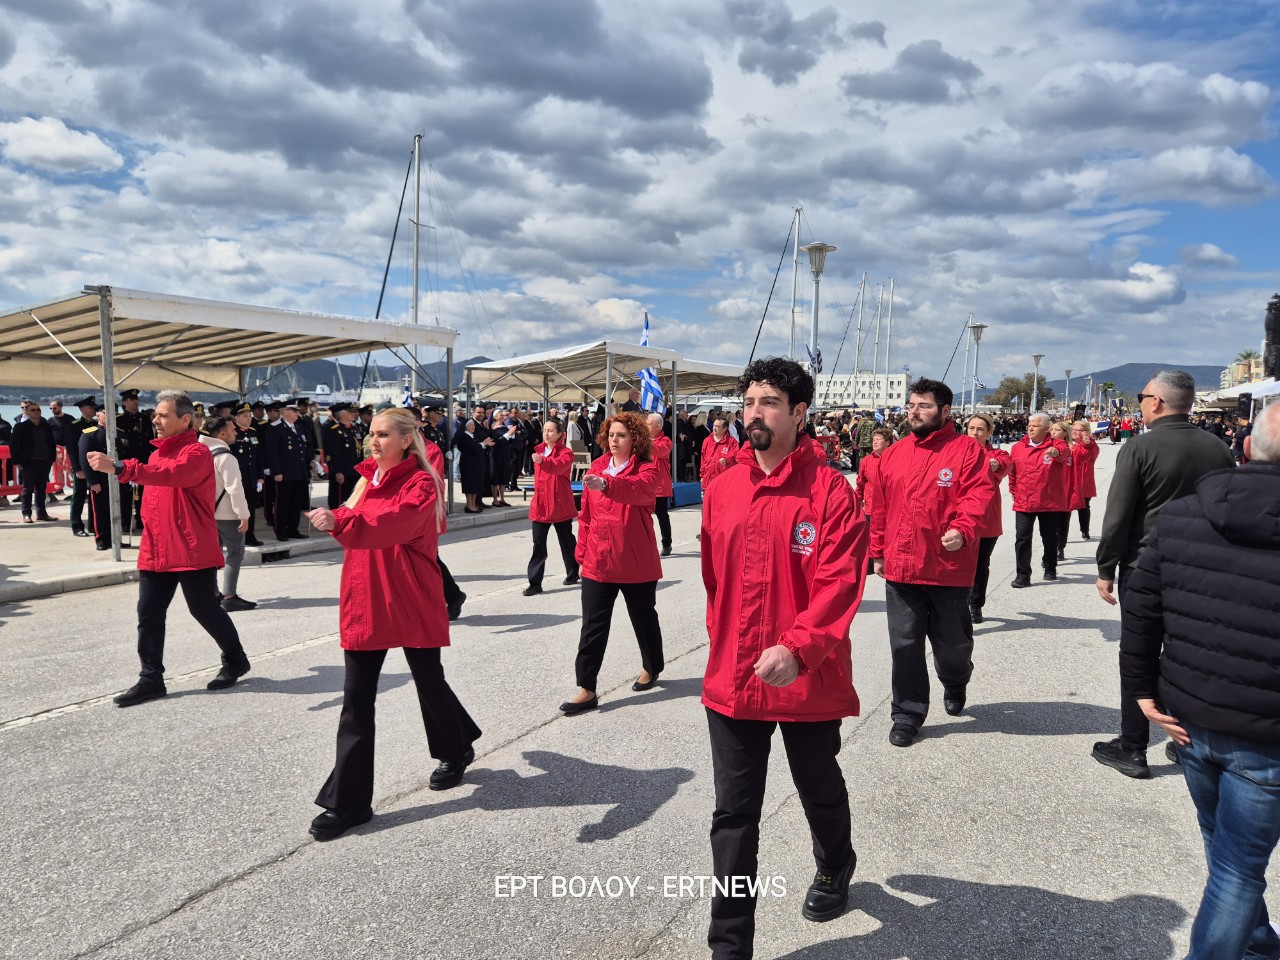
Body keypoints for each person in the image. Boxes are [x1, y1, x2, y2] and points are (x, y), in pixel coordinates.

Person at [701, 357, 868, 958]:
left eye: (768, 402)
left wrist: (798, 649)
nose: (753, 413)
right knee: (734, 817)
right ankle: (729, 945)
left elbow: (840, 583)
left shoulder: (830, 493)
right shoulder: (722, 490)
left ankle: (834, 863)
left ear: (799, 414)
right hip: (733, 679)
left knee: (818, 787)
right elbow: (714, 581)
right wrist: (727, 645)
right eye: (748, 402)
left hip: (806, 678)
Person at [1118, 402, 1280, 958]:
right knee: (1237, 869)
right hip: (1262, 734)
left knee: (1225, 852)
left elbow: (1141, 609)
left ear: (1246, 447)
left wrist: (1141, 689)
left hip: (1188, 715)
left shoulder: (1183, 516)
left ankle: (1256, 942)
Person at [305, 408, 481, 840]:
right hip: (366, 599)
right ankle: (349, 802)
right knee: (356, 701)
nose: (374, 441)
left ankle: (455, 748)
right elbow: (358, 520)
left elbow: (394, 523)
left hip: (408, 596)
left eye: (383, 434)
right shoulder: (367, 481)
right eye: (371, 434)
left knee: (429, 682)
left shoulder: (422, 483)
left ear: (406, 439)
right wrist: (338, 518)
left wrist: (343, 521)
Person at [1092, 370, 1237, 778]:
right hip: (1201, 570)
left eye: (1142, 396)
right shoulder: (1218, 447)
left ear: (1155, 402)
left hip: (1146, 568)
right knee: (1187, 655)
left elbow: (1118, 516)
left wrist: (1105, 566)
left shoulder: (1140, 447)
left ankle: (1133, 745)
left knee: (1137, 657)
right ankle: (1185, 740)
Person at [87, 391, 251, 706]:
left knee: (204, 609)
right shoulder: (157, 453)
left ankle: (235, 659)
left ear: (185, 419)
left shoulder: (197, 452)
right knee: (148, 613)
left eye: (163, 415)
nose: (156, 420)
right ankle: (151, 679)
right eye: (156, 415)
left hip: (191, 547)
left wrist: (121, 467)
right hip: (157, 548)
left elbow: (172, 476)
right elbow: (155, 494)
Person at [868, 379, 989, 747]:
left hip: (947, 568)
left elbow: (977, 494)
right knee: (904, 646)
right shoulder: (893, 454)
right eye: (911, 405)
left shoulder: (967, 450)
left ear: (945, 411)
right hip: (901, 567)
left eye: (923, 405)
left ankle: (955, 680)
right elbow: (879, 507)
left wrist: (963, 528)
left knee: (952, 647)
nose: (914, 411)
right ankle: (907, 713)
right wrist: (877, 552)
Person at [559, 412, 663, 715]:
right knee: (592, 626)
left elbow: (639, 492)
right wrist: (581, 554)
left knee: (643, 618)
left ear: (635, 440)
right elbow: (586, 517)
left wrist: (606, 485)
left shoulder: (647, 469)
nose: (614, 440)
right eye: (612, 435)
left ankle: (652, 666)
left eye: (622, 435)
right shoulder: (597, 467)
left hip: (635, 560)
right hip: (598, 560)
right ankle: (586, 688)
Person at [1007, 413, 1070, 587]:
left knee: (1049, 537)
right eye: (1029, 425)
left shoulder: (1057, 444)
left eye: (1035, 425)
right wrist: (1013, 490)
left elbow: (1065, 453)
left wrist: (1056, 453)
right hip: (1024, 499)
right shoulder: (1018, 447)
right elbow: (1013, 472)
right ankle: (1023, 575)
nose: (1030, 428)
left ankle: (1050, 567)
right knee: (1022, 537)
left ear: (1046, 429)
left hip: (1049, 500)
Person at [201, 416, 256, 613]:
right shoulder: (226, 456)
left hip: (208, 514)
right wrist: (244, 514)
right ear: (222, 434)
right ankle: (230, 596)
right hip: (228, 514)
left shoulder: (202, 453)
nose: (236, 432)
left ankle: (213, 594)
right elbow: (235, 489)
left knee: (212, 556)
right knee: (235, 553)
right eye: (233, 430)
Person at [523, 418, 580, 596]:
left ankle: (573, 572)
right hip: (541, 504)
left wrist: (543, 462)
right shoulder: (539, 450)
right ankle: (535, 582)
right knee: (538, 544)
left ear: (559, 434)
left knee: (567, 541)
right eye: (544, 430)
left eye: (550, 430)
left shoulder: (566, 453)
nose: (546, 434)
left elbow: (558, 467)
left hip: (559, 503)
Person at [965, 413, 1012, 624]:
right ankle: (958, 604)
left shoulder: (997, 454)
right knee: (958, 564)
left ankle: (975, 605)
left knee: (980, 564)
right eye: (971, 428)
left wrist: (993, 465)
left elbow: (1005, 464)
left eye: (980, 429)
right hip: (959, 519)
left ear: (989, 433)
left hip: (985, 519)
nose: (975, 433)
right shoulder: (955, 453)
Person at [264, 401, 317, 540]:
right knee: (282, 503)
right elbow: (272, 453)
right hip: (284, 473)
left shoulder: (298, 428)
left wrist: (310, 460)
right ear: (286, 411)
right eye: (294, 411)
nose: (297, 414)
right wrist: (277, 472)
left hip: (299, 472)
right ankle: (280, 530)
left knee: (296, 503)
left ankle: (293, 528)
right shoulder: (275, 428)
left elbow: (303, 449)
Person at [10, 401, 58, 523]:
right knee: (27, 489)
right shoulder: (20, 427)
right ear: (27, 411)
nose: (36, 412)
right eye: (33, 410)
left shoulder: (45, 425)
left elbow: (51, 443)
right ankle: (26, 514)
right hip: (29, 462)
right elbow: (13, 445)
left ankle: (42, 513)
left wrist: (52, 458)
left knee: (41, 489)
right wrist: (17, 461)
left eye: (38, 410)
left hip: (44, 461)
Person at [79, 407, 115, 550]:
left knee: (116, 510)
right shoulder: (90, 434)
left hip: (116, 478)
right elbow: (85, 459)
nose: (108, 416)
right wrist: (92, 481)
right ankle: (101, 539)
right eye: (104, 413)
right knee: (100, 511)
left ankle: (115, 538)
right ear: (98, 415)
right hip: (100, 480)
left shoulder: (119, 433)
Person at [65, 396, 99, 537]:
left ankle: (93, 525)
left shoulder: (98, 425)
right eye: (91, 407)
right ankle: (76, 526)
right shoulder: (74, 426)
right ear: (82, 409)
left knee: (95, 497)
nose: (94, 409)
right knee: (78, 497)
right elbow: (72, 449)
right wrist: (77, 468)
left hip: (95, 466)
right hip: (81, 467)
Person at [323, 403, 361, 508]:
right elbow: (334, 453)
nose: (354, 414)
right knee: (340, 499)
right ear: (342, 414)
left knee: (352, 498)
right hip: (342, 471)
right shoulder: (333, 429)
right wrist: (338, 471)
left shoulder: (353, 428)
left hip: (354, 470)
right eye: (350, 412)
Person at [455, 413, 495, 513]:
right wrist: (483, 443)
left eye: (473, 425)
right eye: (471, 425)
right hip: (468, 464)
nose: (473, 427)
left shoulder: (472, 436)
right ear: (466, 427)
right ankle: (469, 505)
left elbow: (478, 446)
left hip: (476, 463)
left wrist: (483, 444)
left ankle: (473, 504)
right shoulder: (464, 437)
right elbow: (473, 448)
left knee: (475, 485)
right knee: (469, 485)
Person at [648, 412, 674, 556]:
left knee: (661, 514)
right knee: (643, 516)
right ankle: (648, 544)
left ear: (658, 426)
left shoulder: (665, 441)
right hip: (645, 484)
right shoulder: (646, 440)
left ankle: (666, 543)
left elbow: (658, 451)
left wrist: (644, 441)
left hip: (660, 485)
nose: (646, 426)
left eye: (649, 424)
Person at [1069, 419, 1099, 541]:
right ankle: (1061, 533)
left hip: (1084, 478)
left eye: (1078, 430)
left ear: (1085, 432)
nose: (1074, 432)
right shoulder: (1067, 443)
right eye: (1073, 429)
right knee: (1066, 507)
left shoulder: (1091, 444)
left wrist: (1088, 444)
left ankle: (1085, 530)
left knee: (1084, 505)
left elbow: (1094, 453)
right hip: (1069, 478)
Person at [700, 417, 739, 489]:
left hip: (723, 479)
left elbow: (735, 456)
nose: (714, 428)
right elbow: (703, 458)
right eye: (714, 426)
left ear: (725, 429)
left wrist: (726, 460)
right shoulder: (707, 441)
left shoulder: (731, 442)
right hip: (708, 478)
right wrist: (702, 475)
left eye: (717, 426)